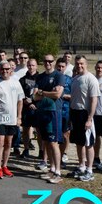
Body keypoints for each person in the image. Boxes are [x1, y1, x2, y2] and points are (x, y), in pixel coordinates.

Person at [0, 62, 24, 179]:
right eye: (2, 69)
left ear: (11, 70)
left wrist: (19, 117)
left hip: (12, 119)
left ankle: (5, 165)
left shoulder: (16, 82)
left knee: (9, 143)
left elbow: (20, 101)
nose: (5, 71)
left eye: (7, 69)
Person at [34, 54, 66, 184]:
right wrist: (46, 93)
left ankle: (58, 172)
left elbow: (58, 94)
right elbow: (35, 96)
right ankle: (51, 169)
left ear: (53, 62)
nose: (48, 63)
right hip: (43, 111)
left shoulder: (59, 76)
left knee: (54, 143)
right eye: (46, 61)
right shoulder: (40, 77)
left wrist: (43, 92)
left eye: (50, 61)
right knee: (46, 141)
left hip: (54, 112)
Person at [68, 57, 100, 182]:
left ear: (86, 64)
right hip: (75, 113)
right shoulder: (75, 79)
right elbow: (73, 98)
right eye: (77, 63)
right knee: (79, 142)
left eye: (81, 63)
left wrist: (89, 119)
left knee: (88, 143)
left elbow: (94, 100)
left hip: (85, 114)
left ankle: (89, 170)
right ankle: (81, 166)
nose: (79, 65)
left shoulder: (91, 79)